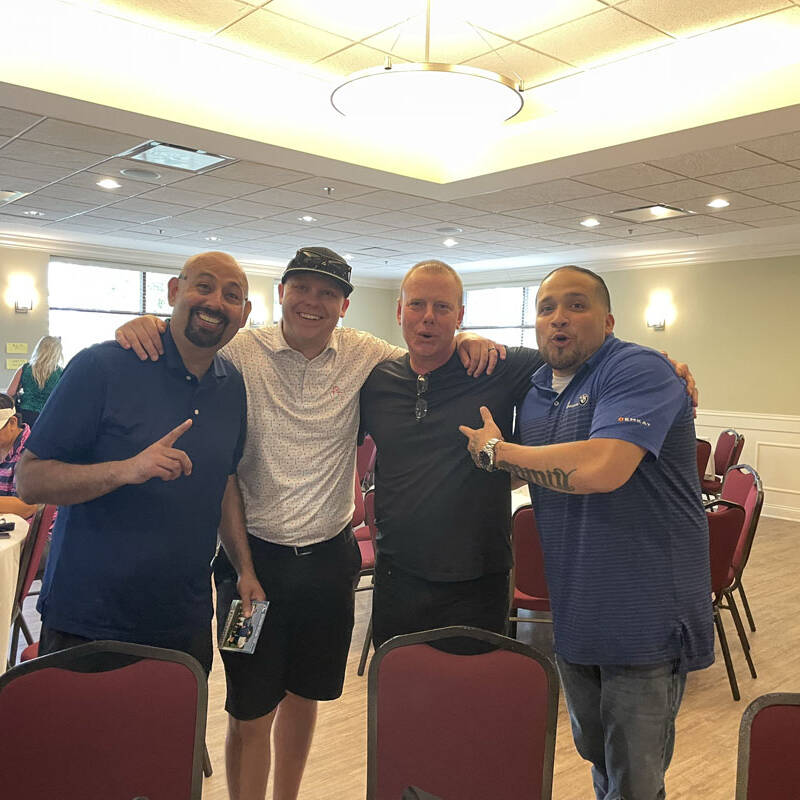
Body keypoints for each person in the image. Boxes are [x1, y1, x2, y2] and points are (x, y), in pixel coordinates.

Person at [113, 246, 500, 800]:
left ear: (345, 306)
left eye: (327, 293)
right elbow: (184, 339)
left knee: (304, 696)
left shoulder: (365, 355)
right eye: (302, 288)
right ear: (281, 294)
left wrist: (468, 340)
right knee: (249, 709)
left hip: (328, 563)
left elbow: (425, 349)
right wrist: (146, 322)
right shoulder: (243, 349)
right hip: (251, 567)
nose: (312, 303)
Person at [459, 265, 713, 800]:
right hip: (577, 612)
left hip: (647, 618)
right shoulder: (535, 389)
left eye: (576, 305)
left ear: (609, 319)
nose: (559, 319)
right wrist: (464, 334)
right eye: (547, 308)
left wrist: (496, 450)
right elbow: (528, 466)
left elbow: (602, 469)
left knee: (637, 781)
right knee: (599, 760)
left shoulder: (639, 369)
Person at [15, 251, 263, 676]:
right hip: (90, 620)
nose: (216, 302)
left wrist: (245, 569)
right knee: (84, 743)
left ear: (244, 314)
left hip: (183, 620)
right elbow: (29, 481)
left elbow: (223, 482)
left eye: (232, 295)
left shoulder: (232, 385)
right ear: (174, 291)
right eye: (203, 286)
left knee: (176, 741)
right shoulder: (103, 366)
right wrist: (126, 469)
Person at [359, 260, 542, 649]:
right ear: (399, 312)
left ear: (460, 315)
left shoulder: (495, 367)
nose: (428, 318)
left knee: (472, 698)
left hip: (478, 577)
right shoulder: (377, 382)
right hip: (397, 574)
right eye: (417, 305)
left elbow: (578, 356)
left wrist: (654, 365)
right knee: (398, 692)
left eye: (442, 308)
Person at [6, 335, 64, 428]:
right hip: (49, 415)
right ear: (57, 353)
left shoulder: (25, 368)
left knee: (25, 441)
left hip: (26, 414)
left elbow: (10, 393)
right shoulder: (61, 373)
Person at [0, 393, 38, 519]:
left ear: (12, 422)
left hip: (29, 530)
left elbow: (27, 507)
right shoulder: (3, 444)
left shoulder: (33, 452)